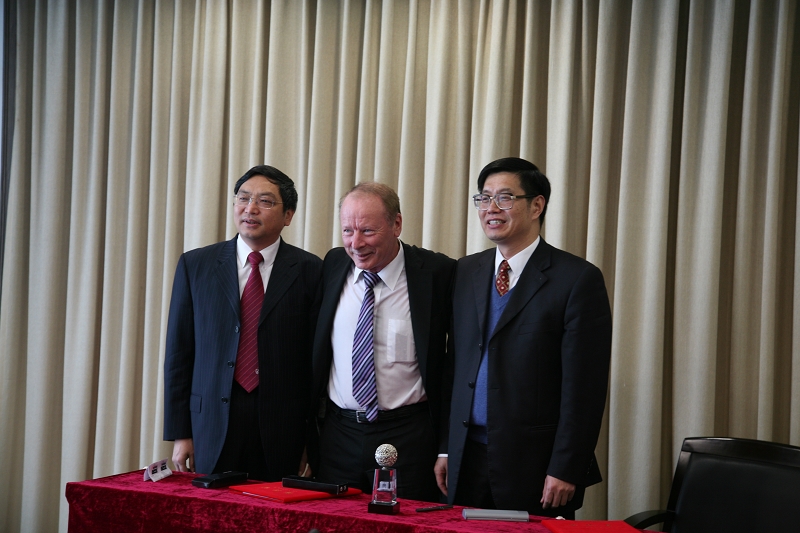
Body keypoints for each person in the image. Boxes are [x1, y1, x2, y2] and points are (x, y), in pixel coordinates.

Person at [435, 157, 612, 518]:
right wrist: (446, 447)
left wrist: (566, 466)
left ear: (536, 206)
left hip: (534, 464)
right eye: (484, 198)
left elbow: (585, 388)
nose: (491, 208)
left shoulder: (577, 279)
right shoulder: (467, 270)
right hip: (466, 458)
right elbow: (456, 366)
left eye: (504, 198)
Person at [163, 164, 322, 481]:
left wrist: (311, 440)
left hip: (282, 429)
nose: (250, 209)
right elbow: (179, 354)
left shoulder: (311, 271)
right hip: (210, 423)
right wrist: (181, 433)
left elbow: (316, 363)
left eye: (265, 201)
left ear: (288, 215)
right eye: (243, 198)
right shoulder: (196, 265)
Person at [311, 182, 456, 502]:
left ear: (397, 224)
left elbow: (455, 365)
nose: (356, 243)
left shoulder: (437, 272)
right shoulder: (334, 264)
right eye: (347, 231)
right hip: (339, 436)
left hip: (409, 436)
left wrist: (446, 447)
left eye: (367, 231)